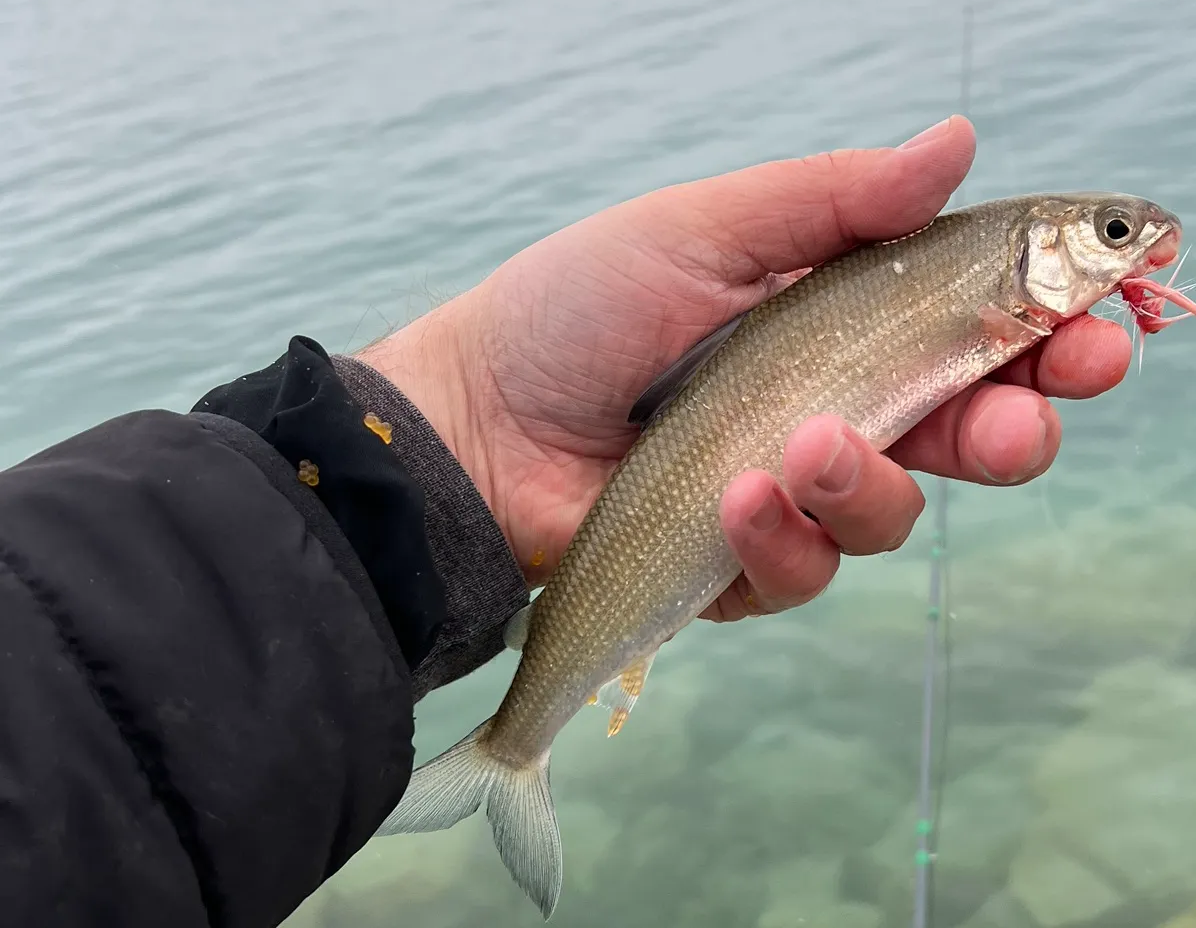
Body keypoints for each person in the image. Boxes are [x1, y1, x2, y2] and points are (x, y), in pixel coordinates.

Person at [0, 116, 1132, 927]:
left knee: (779, 502)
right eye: (1114, 234)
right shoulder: (988, 277)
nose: (1131, 245)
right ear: (1037, 255)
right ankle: (511, 750)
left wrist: (455, 432)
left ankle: (513, 744)